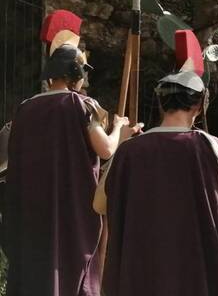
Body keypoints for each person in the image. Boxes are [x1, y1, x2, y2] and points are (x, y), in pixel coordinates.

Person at [93, 68, 218, 296]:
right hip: (196, 272)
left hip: (140, 273)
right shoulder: (214, 149)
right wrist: (215, 249)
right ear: (199, 105)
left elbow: (98, 205)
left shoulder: (128, 151)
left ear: (162, 103)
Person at [5, 44, 137, 296]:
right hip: (71, 208)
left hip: (32, 208)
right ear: (75, 73)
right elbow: (107, 149)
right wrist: (120, 128)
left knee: (36, 268)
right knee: (70, 269)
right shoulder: (82, 105)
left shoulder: (25, 108)